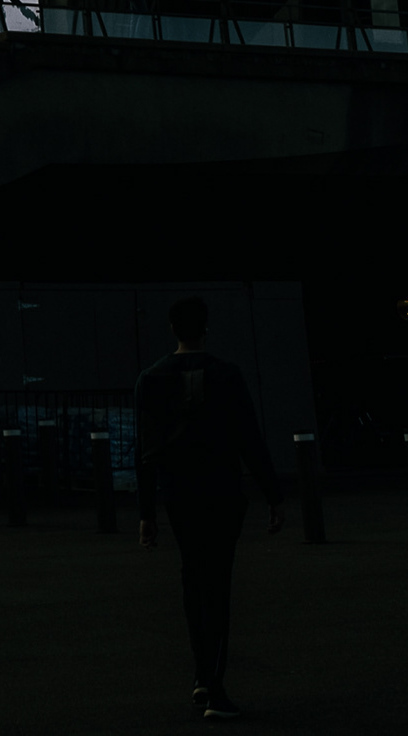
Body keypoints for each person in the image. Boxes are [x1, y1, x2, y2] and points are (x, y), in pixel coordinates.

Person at [132, 296, 285, 722]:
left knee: (193, 579)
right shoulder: (226, 375)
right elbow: (249, 439)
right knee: (217, 584)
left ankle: (202, 674)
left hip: (178, 495)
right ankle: (214, 687)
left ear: (172, 328)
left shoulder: (151, 379)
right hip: (220, 492)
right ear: (206, 328)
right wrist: (274, 495)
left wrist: (146, 513)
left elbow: (145, 451)